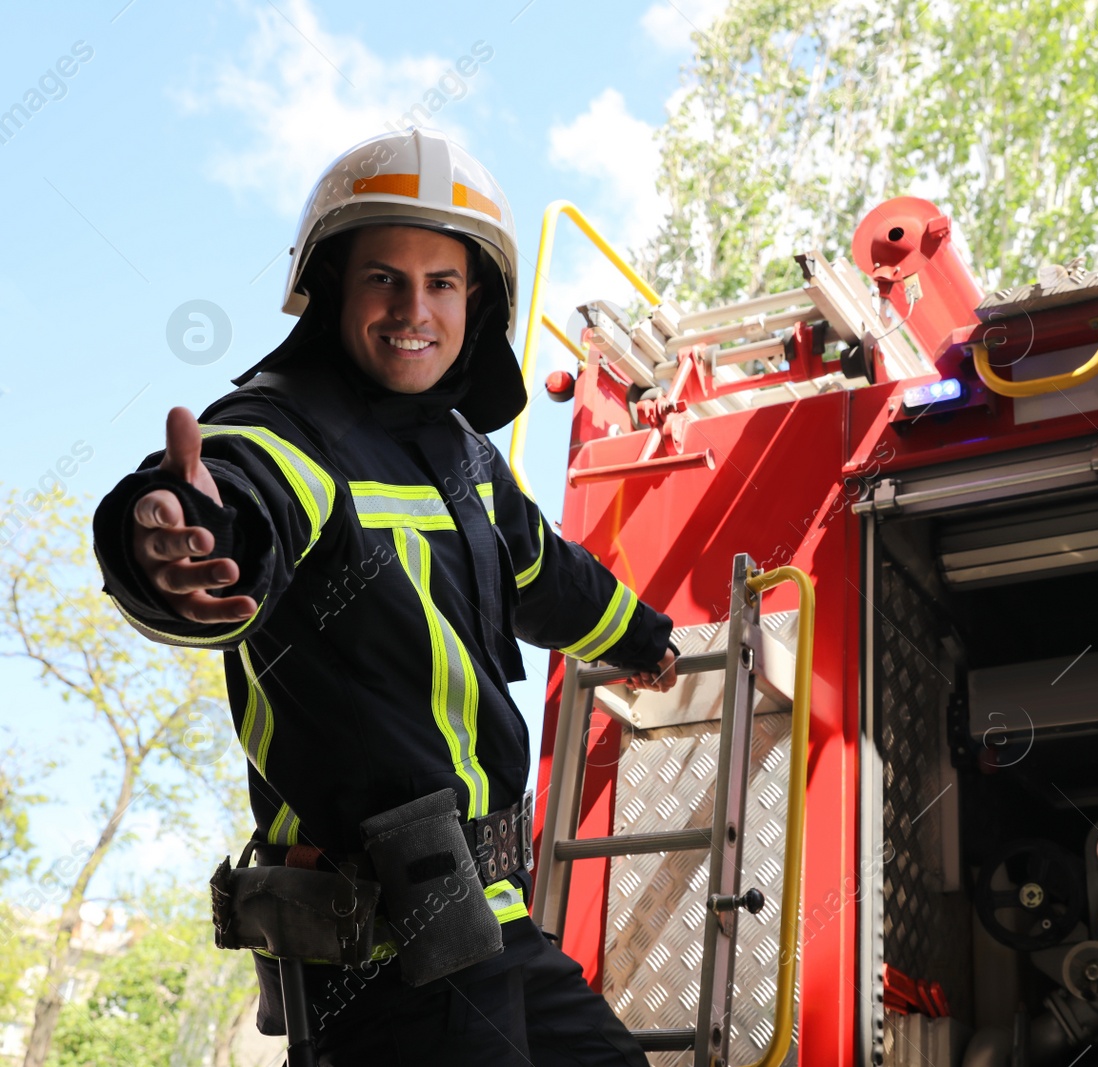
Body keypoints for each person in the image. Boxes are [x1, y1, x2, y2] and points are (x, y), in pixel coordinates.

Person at [92, 130, 673, 1066]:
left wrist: (646, 638)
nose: (414, 308)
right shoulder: (285, 426)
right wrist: (182, 541)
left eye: (441, 281)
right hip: (382, 948)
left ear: (475, 301)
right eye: (383, 279)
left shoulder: (469, 460)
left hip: (491, 920)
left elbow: (550, 576)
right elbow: (239, 504)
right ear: (330, 290)